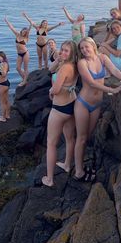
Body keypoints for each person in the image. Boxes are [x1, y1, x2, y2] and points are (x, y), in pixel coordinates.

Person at [74, 37, 121, 181]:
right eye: (82, 48)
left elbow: (115, 70)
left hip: (96, 104)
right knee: (81, 137)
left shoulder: (102, 58)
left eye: (87, 46)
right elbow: (91, 83)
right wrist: (113, 90)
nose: (85, 50)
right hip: (83, 103)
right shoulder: (82, 63)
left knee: (88, 136)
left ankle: (80, 161)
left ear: (93, 46)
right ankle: (78, 171)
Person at [42, 40, 78, 187]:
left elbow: (56, 90)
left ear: (72, 53)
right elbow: (50, 70)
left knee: (51, 143)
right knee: (70, 138)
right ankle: (67, 165)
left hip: (59, 109)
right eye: (62, 49)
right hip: (71, 105)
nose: (62, 52)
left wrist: (51, 91)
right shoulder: (73, 65)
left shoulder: (65, 68)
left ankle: (49, 179)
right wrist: (58, 59)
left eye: (66, 51)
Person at [4, 16, 31, 86]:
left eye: (26, 32)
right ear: (21, 31)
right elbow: (11, 27)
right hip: (19, 54)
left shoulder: (26, 37)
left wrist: (28, 21)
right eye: (23, 31)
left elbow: (30, 28)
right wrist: (6, 21)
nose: (24, 32)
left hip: (25, 53)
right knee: (18, 68)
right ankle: (25, 79)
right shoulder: (17, 34)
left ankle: (24, 81)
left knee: (25, 68)